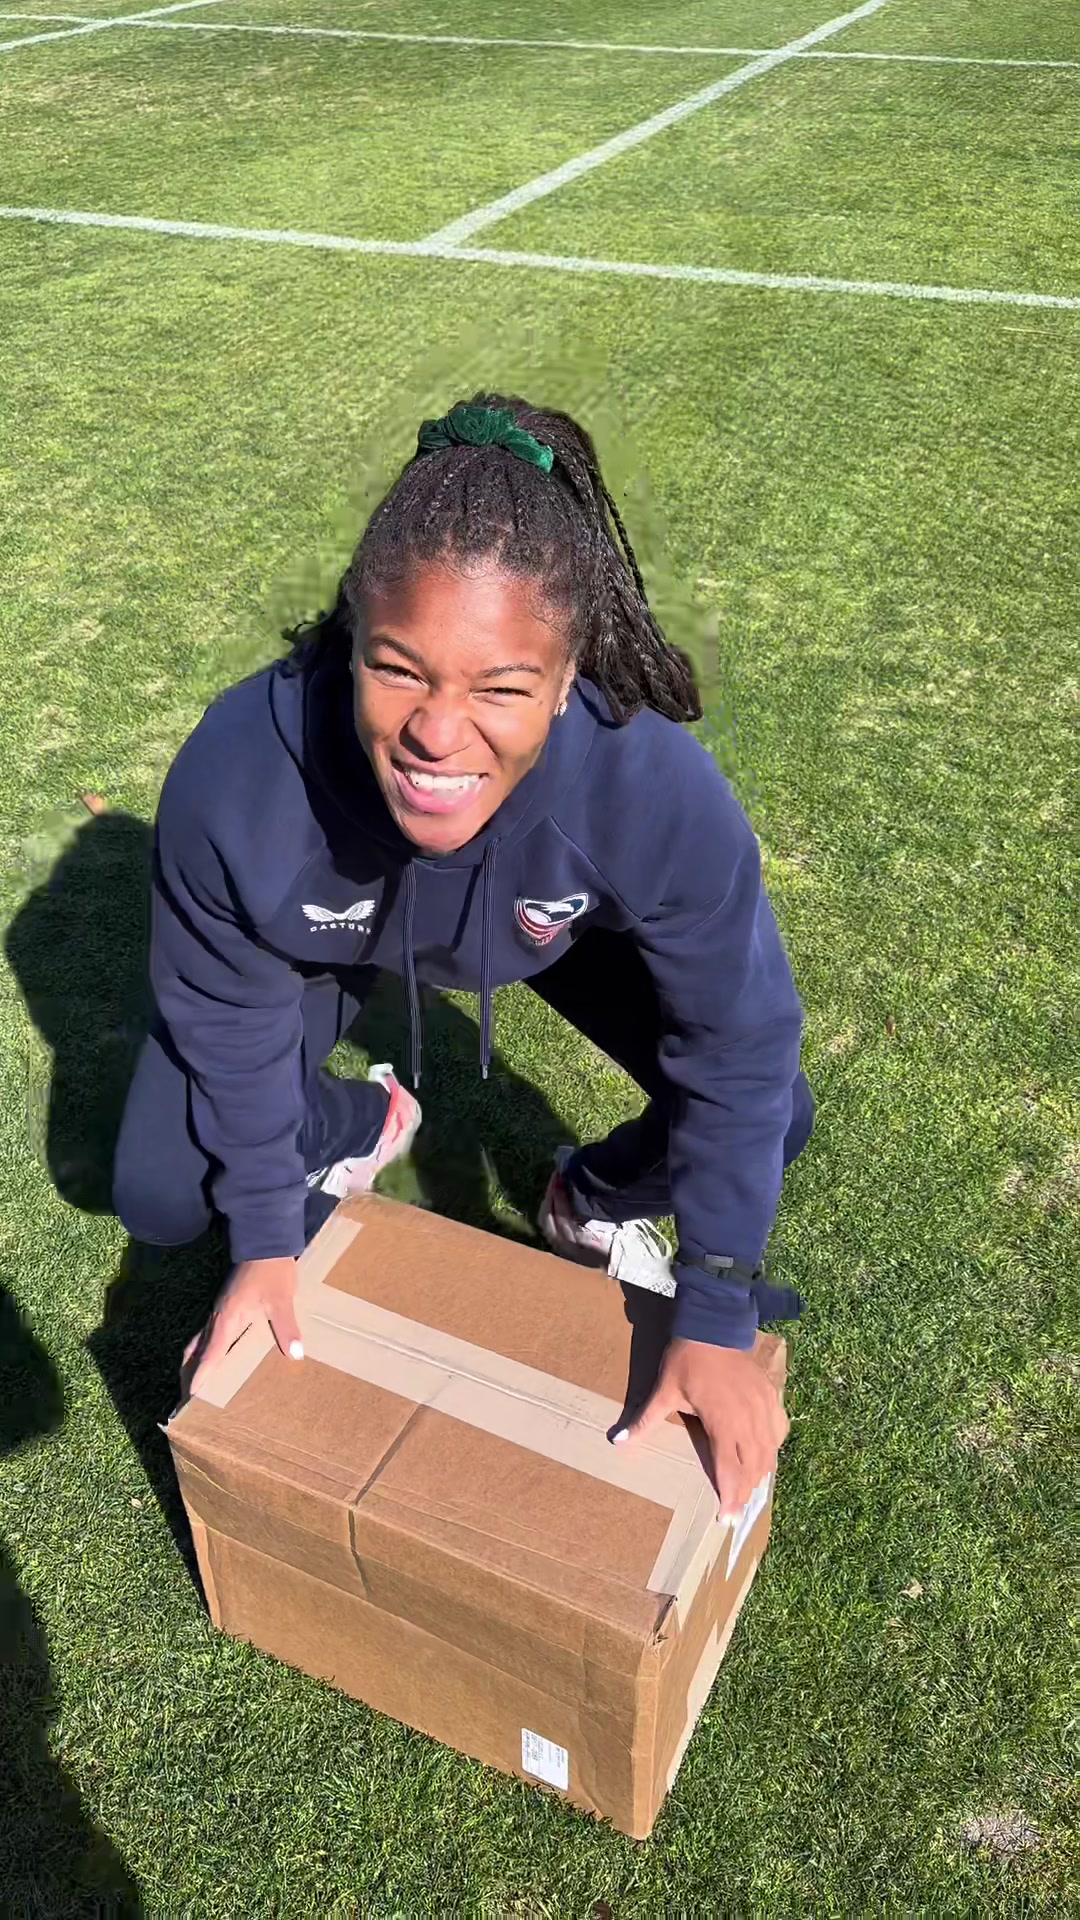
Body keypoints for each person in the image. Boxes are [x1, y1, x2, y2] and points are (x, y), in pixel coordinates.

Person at [113, 395, 813, 1519]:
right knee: (159, 1185)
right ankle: (358, 1122)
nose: (438, 734)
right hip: (342, 931)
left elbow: (739, 1041)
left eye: (502, 688)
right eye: (398, 670)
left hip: (549, 923)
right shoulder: (240, 775)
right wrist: (265, 1239)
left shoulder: (648, 787)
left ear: (570, 675)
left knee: (773, 1112)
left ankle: (587, 1197)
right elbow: (225, 1015)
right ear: (352, 636)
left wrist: (719, 1305)